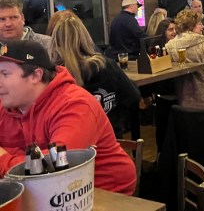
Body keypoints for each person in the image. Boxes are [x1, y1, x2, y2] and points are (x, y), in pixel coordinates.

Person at [0, 40, 136, 194]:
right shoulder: (9, 103)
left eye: (5, 74)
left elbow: (58, 167)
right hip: (41, 192)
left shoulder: (75, 105)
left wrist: (4, 158)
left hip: (101, 192)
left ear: (35, 76)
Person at [49, 14, 141, 137]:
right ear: (86, 37)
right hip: (110, 140)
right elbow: (133, 96)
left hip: (72, 145)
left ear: (55, 41)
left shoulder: (53, 74)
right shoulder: (106, 65)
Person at [165, 9, 204, 109]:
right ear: (191, 26)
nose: (202, 26)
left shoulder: (170, 46)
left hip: (184, 97)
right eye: (199, 23)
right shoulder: (201, 43)